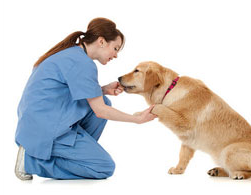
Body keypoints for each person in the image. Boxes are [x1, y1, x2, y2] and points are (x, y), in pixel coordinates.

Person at [14, 17, 157, 180]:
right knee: (103, 167)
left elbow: (66, 92)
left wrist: (102, 90)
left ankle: (71, 152)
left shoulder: (73, 54)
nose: (116, 55)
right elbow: (101, 111)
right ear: (102, 41)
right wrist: (136, 118)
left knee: (105, 101)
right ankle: (31, 161)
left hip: (38, 121)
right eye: (115, 48)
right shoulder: (82, 62)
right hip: (44, 129)